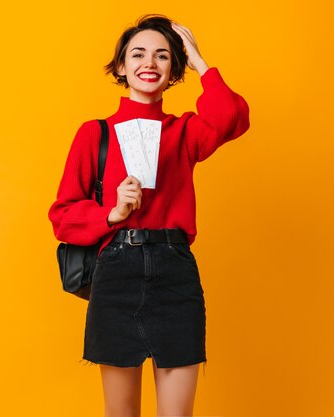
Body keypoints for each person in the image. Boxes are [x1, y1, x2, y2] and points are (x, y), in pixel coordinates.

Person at [49, 14, 250, 417]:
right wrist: (113, 212)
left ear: (174, 69)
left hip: (175, 273)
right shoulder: (95, 133)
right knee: (121, 413)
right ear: (121, 66)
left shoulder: (184, 133)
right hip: (116, 273)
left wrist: (198, 59)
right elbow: (62, 215)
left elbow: (231, 118)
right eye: (138, 54)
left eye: (163, 56)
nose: (150, 63)